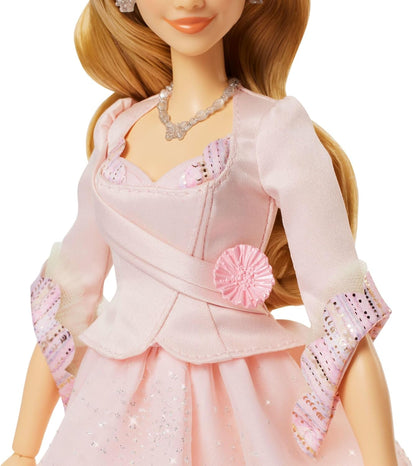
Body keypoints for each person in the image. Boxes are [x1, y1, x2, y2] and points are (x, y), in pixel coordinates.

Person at [1, 0, 411, 464]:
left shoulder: (272, 128)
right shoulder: (116, 131)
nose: (190, 2)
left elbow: (339, 310)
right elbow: (69, 296)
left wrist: (381, 459)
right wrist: (22, 450)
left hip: (237, 399)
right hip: (112, 410)